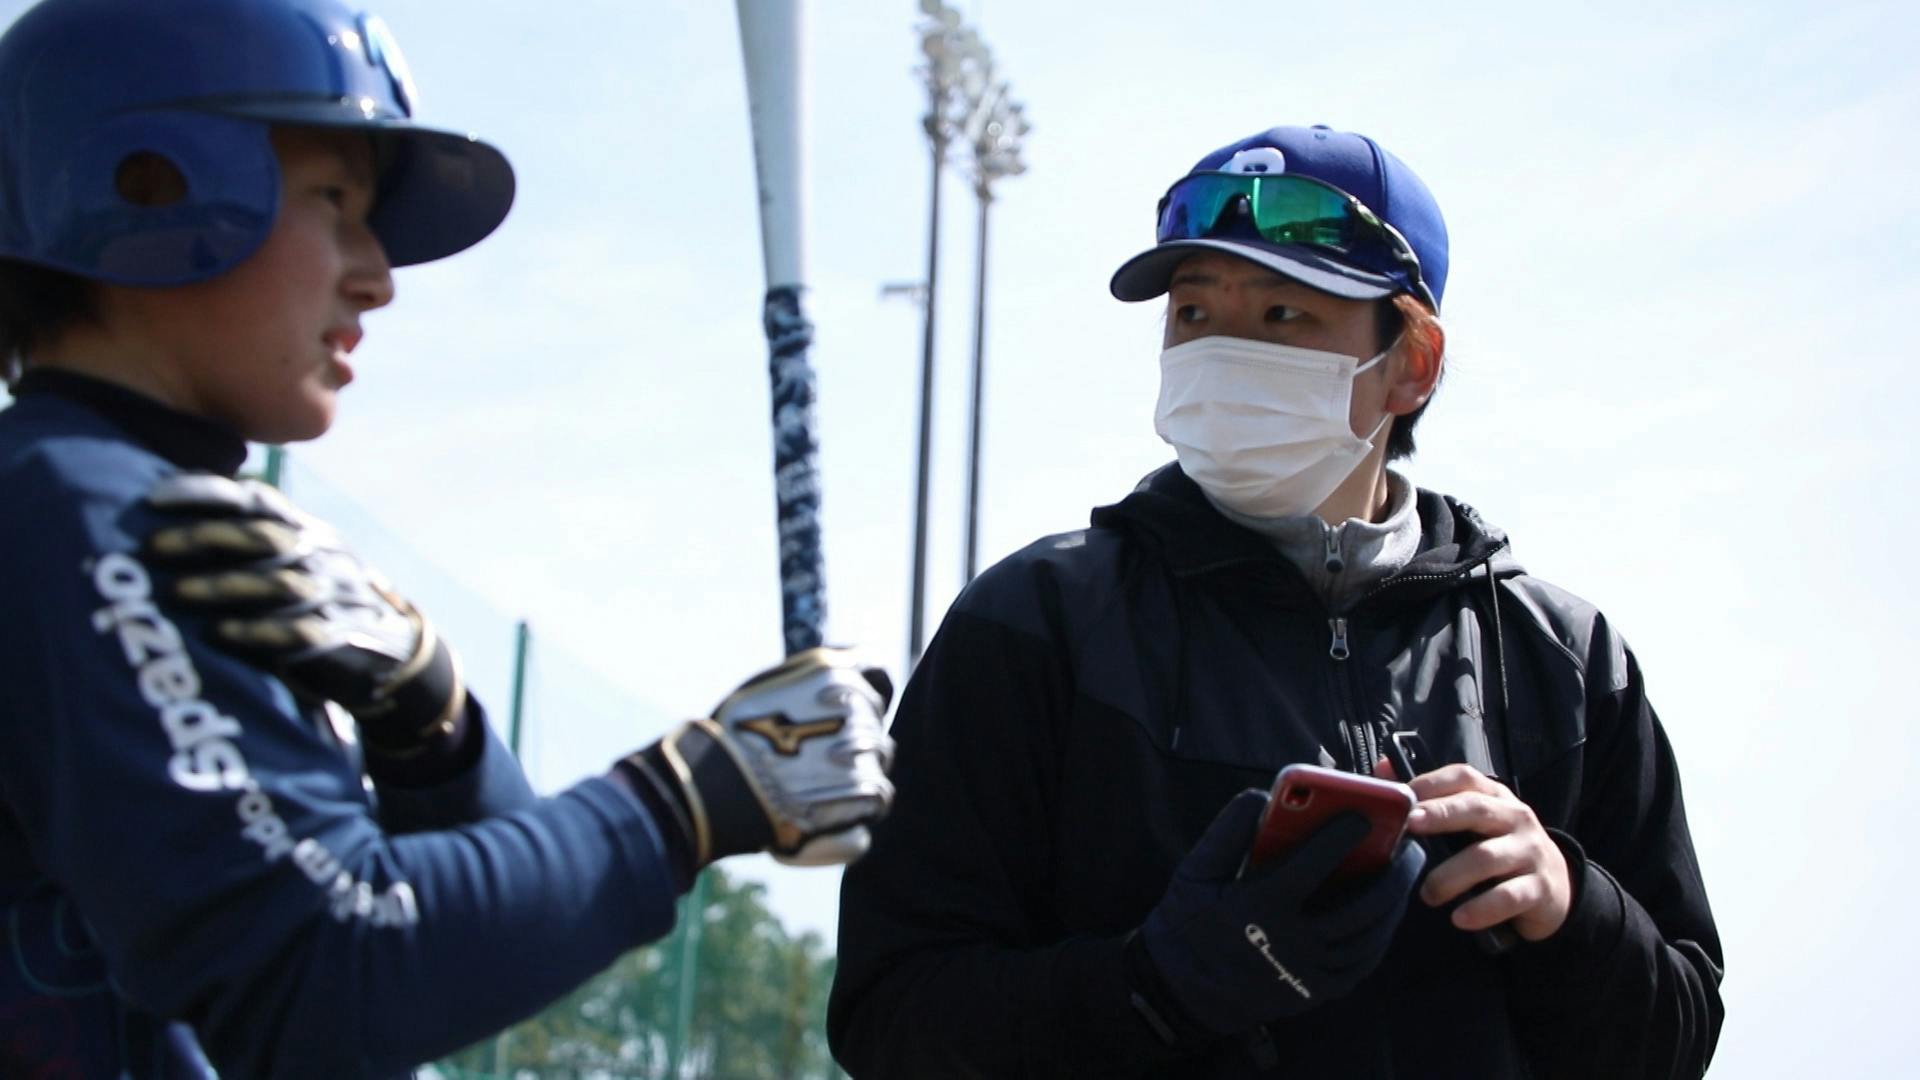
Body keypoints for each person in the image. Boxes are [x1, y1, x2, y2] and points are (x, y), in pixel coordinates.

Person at [0, 0, 895, 1075]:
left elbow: (466, 956)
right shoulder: (80, 510)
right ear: (148, 182)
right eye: (334, 201)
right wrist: (692, 797)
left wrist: (435, 725)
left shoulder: (128, 504)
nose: (377, 275)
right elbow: (326, 976)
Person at [828, 124, 1723, 1079]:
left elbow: (1677, 1042)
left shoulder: (1565, 660)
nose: (1220, 352)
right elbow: (891, 1020)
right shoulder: (1036, 621)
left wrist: (1571, 909)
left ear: (1412, 363)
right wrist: (1157, 987)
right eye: (1194, 312)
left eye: (1283, 313)